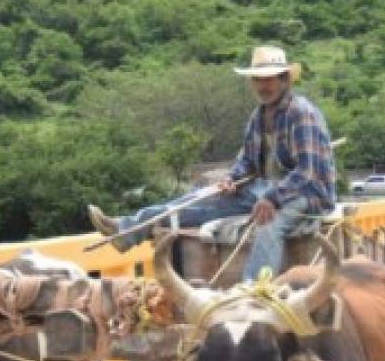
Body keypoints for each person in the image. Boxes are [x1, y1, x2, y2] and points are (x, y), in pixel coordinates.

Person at [110, 45, 336, 280]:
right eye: (257, 80)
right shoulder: (258, 117)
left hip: (306, 194)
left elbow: (307, 171)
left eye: (268, 80)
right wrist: (233, 179)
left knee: (268, 225)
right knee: (205, 197)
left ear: (284, 80)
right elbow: (247, 161)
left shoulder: (301, 113)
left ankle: (254, 291)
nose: (262, 86)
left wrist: (273, 198)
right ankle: (127, 230)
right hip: (265, 190)